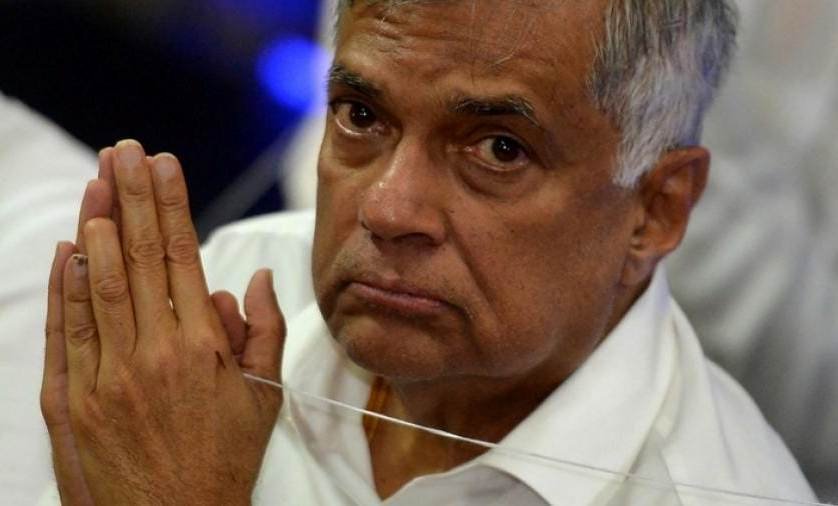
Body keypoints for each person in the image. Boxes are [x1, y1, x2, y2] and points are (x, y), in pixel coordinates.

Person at [38, 1, 818, 504]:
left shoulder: (714, 488)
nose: (385, 209)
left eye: (500, 149)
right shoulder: (227, 296)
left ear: (656, 208)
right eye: (360, 115)